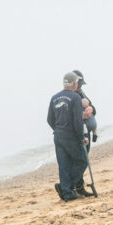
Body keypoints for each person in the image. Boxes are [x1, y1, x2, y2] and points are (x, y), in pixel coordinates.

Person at [47, 72, 91, 201]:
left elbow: (50, 119)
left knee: (64, 164)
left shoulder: (54, 98)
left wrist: (58, 130)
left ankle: (67, 193)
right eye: (77, 82)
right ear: (74, 83)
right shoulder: (75, 97)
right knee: (82, 161)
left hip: (58, 136)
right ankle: (65, 187)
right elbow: (77, 121)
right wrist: (82, 137)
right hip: (71, 136)